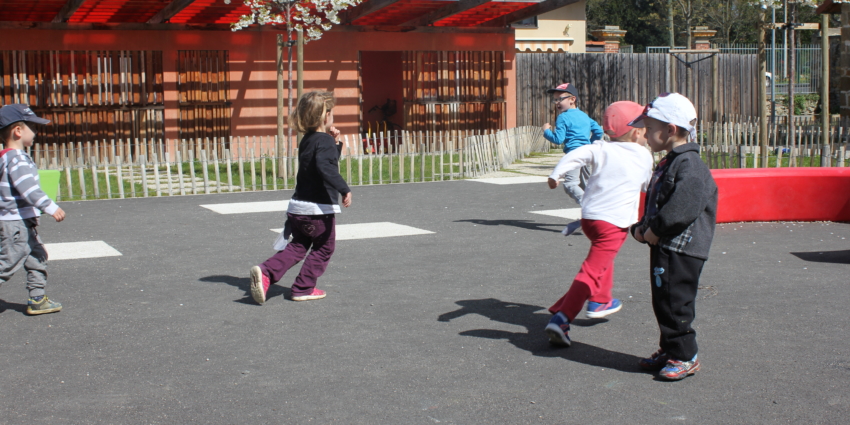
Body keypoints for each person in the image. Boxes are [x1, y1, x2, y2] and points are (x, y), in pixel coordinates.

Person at [544, 101, 653, 347]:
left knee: (601, 258)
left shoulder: (600, 147)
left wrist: (555, 175)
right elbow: (648, 186)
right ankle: (563, 317)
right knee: (591, 270)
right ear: (636, 132)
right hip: (614, 224)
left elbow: (575, 155)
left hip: (590, 219)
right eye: (646, 130)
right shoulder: (643, 155)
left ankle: (600, 299)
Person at [628, 93, 718, 381]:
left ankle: (685, 355)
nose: (644, 133)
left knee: (675, 301)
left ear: (670, 129)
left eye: (650, 127)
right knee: (663, 299)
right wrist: (644, 226)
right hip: (667, 244)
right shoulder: (672, 161)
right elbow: (658, 200)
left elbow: (682, 207)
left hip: (683, 248)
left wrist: (654, 229)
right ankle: (670, 349)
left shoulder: (690, 165)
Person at [249, 91, 352, 304]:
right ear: (325, 117)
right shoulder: (323, 141)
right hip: (318, 210)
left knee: (298, 246)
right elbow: (326, 167)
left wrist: (335, 144)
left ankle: (266, 272)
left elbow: (320, 162)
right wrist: (344, 188)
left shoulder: (308, 140)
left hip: (298, 208)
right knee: (324, 248)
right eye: (330, 111)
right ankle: (303, 287)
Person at [0, 104, 66, 315]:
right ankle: (36, 297)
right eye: (33, 127)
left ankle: (37, 299)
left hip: (21, 222)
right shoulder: (17, 158)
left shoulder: (5, 157)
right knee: (7, 264)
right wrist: (50, 206)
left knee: (37, 256)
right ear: (18, 131)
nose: (35, 132)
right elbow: (29, 189)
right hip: (15, 223)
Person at [542, 83, 604, 236]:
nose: (557, 103)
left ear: (572, 99)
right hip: (588, 154)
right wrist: (590, 143)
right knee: (588, 186)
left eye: (560, 99)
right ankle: (597, 219)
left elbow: (558, 139)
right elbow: (599, 131)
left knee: (570, 184)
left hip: (574, 154)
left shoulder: (563, 117)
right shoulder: (584, 116)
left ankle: (591, 210)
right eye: (555, 100)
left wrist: (546, 131)